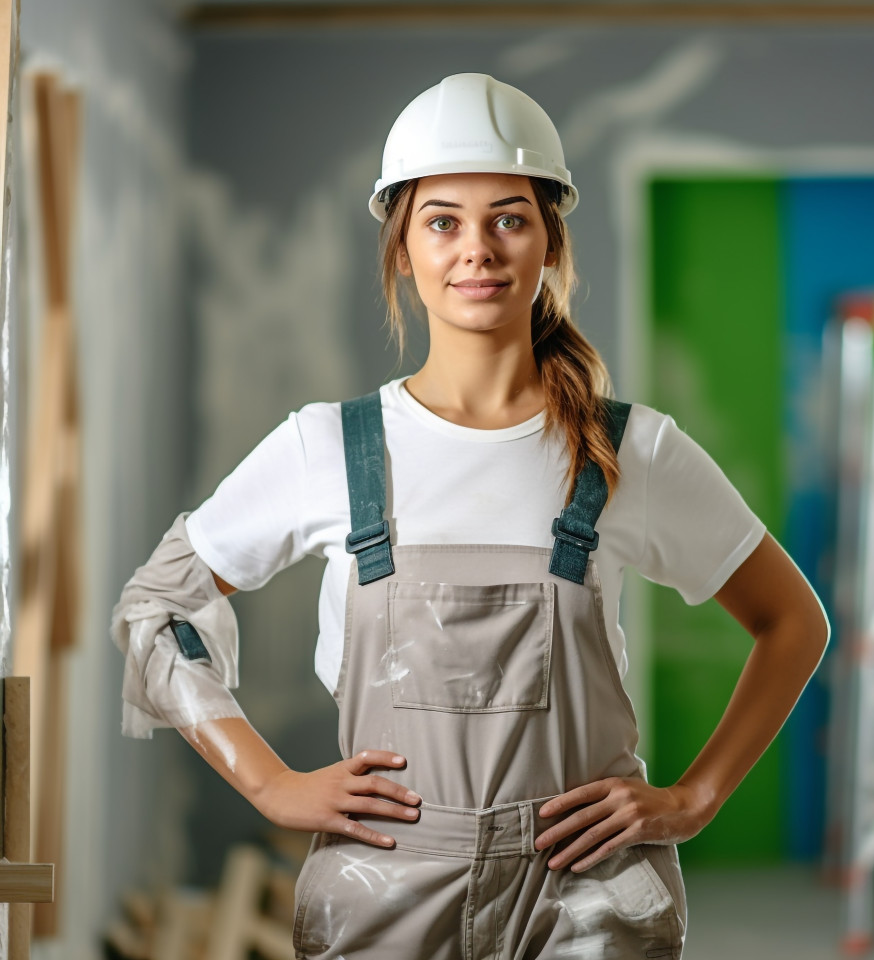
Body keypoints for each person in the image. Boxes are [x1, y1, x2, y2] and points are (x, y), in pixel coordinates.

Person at [113, 73, 829, 959]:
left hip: (586, 896)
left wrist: (694, 798)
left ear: (549, 243)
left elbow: (794, 622)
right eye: (443, 220)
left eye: (510, 217)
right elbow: (156, 607)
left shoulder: (628, 450)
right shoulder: (328, 448)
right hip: (383, 886)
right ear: (403, 250)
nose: (478, 249)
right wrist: (266, 784)